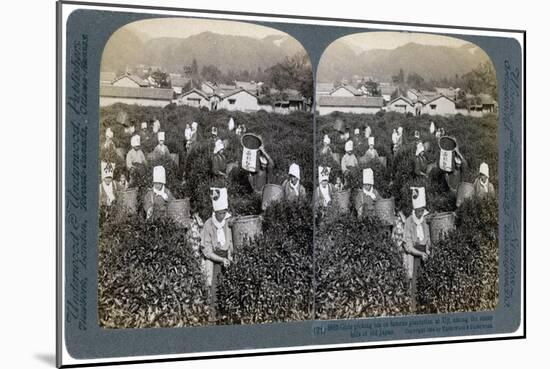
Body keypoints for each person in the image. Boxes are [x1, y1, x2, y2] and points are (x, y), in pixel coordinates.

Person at [201, 187, 233, 319]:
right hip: (215, 260)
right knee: (214, 288)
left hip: (227, 258)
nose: (223, 216)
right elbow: (207, 250)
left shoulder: (228, 222)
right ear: (215, 212)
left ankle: (227, 315)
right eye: (221, 213)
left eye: (225, 213)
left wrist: (230, 255)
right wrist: (221, 260)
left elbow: (231, 241)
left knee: (229, 287)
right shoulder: (209, 225)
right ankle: (214, 317)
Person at [402, 187, 431, 310]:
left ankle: (424, 306)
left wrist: (428, 249)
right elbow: (408, 246)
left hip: (424, 254)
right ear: (416, 210)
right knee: (414, 283)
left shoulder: (424, 221)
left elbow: (428, 238)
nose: (421, 213)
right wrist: (420, 253)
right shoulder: (409, 222)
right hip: (414, 256)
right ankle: (413, 308)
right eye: (419, 211)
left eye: (422, 211)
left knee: (425, 281)